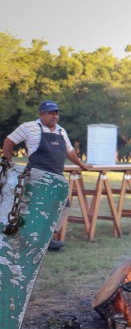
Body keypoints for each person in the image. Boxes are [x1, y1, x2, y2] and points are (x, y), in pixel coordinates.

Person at [2, 100, 93, 249]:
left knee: (64, 205)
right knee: (35, 209)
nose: (54, 116)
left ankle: (46, 239)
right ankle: (24, 240)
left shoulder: (61, 131)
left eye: (56, 113)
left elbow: (70, 152)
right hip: (37, 175)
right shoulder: (28, 127)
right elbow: (8, 141)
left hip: (57, 175)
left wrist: (82, 164)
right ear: (41, 114)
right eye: (51, 113)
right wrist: (8, 163)